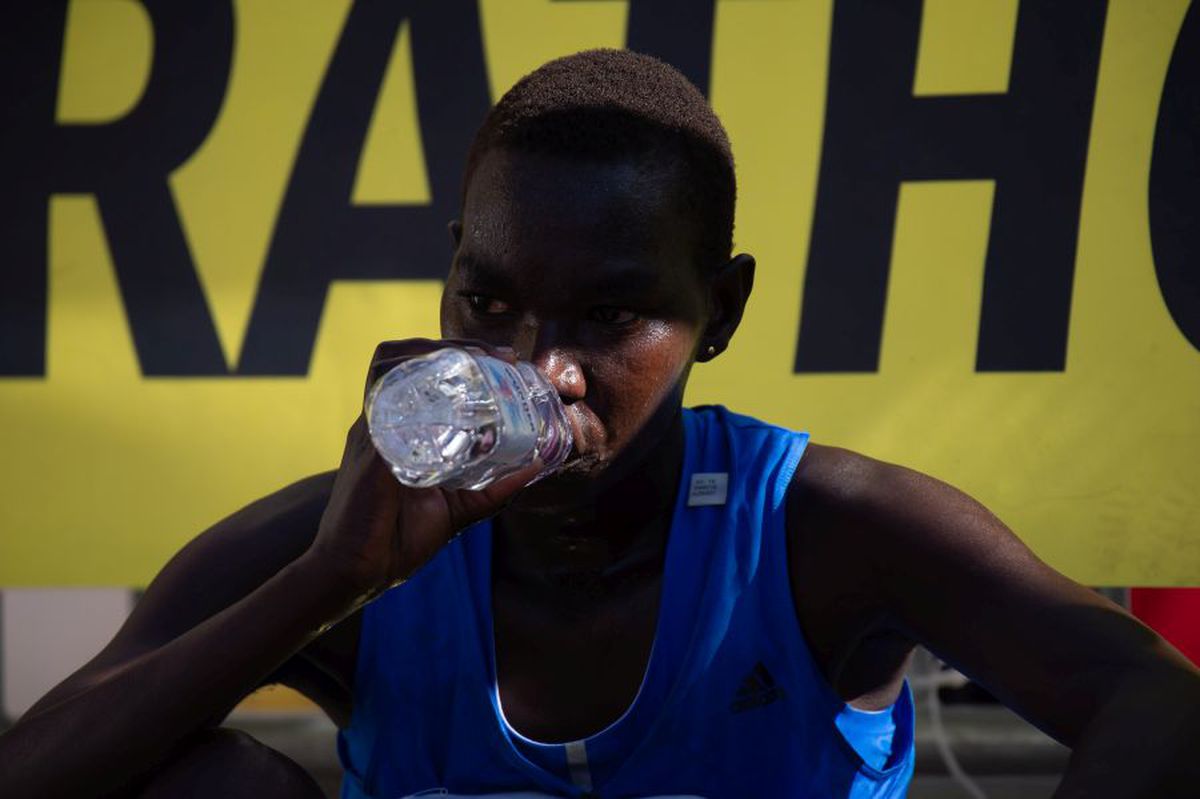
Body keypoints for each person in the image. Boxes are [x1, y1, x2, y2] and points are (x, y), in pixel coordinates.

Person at [1, 49, 1198, 799]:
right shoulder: (341, 544)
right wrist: (328, 582)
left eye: (609, 314)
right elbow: (36, 768)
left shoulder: (824, 528)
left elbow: (1159, 702)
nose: (541, 369)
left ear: (716, 312)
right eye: (492, 302)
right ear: (450, 277)